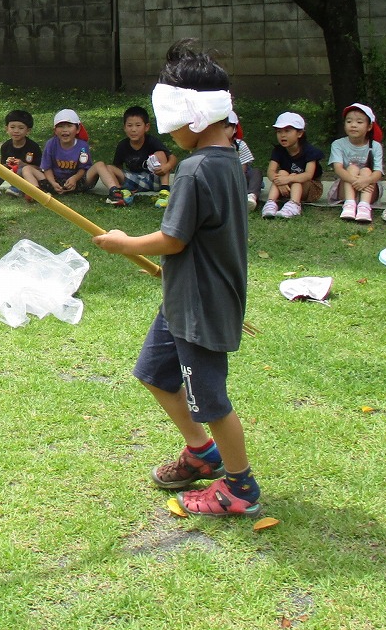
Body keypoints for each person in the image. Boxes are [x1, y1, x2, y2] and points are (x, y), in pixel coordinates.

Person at [94, 40, 260, 517]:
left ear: (194, 119)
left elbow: (173, 239)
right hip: (184, 298)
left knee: (211, 401)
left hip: (200, 306)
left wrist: (123, 243)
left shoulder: (195, 169)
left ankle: (240, 488)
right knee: (153, 373)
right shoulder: (232, 159)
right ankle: (202, 453)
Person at [89, 105, 178, 208]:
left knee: (161, 154)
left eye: (138, 125)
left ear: (146, 127)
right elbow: (117, 167)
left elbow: (173, 158)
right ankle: (121, 194)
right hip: (133, 181)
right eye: (130, 125)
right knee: (109, 168)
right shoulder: (122, 145)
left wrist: (166, 167)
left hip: (154, 178)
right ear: (124, 128)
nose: (133, 129)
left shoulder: (152, 141)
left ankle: (164, 192)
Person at [328, 103, 385, 225]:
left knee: (366, 171)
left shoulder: (375, 146)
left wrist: (366, 180)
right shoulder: (338, 144)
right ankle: (349, 204)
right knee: (352, 168)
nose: (353, 125)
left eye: (359, 122)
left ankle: (364, 207)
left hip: (369, 189)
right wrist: (356, 181)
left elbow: (378, 171)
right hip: (346, 188)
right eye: (349, 121)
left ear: (369, 127)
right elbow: (338, 168)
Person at [261, 111, 325, 219]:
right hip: (286, 184)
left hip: (310, 187)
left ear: (299, 133)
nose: (282, 135)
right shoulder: (278, 150)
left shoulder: (310, 151)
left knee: (295, 179)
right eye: (279, 131)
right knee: (281, 172)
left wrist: (288, 179)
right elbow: (270, 171)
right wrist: (280, 181)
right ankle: (271, 203)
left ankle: (294, 205)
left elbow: (308, 175)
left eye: (287, 131)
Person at [29, 109, 95, 195]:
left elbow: (83, 168)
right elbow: (47, 168)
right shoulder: (51, 144)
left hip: (76, 183)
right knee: (27, 169)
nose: (65, 130)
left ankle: (114, 192)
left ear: (78, 129)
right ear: (55, 130)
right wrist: (53, 183)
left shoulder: (83, 146)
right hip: (53, 181)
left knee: (100, 165)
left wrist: (74, 179)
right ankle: (37, 192)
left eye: (69, 126)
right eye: (60, 126)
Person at [0, 109, 41, 198]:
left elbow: (39, 168)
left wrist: (23, 164)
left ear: (28, 130)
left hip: (27, 178)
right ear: (6, 128)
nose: (16, 131)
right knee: (3, 168)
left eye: (21, 128)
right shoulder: (6, 146)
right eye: (12, 127)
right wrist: (8, 163)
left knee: (22, 170)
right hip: (12, 175)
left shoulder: (33, 147)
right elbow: (3, 166)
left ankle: (17, 188)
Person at [225, 111, 263, 211]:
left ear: (234, 129)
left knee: (256, 172)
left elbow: (243, 169)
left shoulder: (240, 145)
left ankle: (251, 196)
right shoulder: (212, 146)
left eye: (226, 126)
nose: (222, 131)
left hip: (240, 177)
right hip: (222, 180)